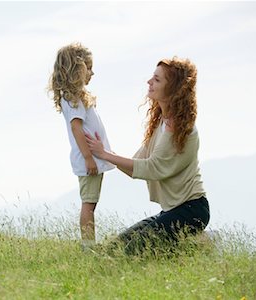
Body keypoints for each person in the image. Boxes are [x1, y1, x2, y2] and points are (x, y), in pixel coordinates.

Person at [85, 56, 210, 255]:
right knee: (114, 249)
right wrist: (104, 153)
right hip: (171, 211)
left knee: (129, 253)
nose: (149, 82)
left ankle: (200, 246)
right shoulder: (161, 123)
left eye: (157, 79)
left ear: (174, 89)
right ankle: (192, 248)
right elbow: (136, 166)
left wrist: (105, 154)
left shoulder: (178, 128)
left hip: (191, 211)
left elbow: (151, 168)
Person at [48, 42, 115, 250]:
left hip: (94, 158)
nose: (92, 73)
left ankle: (89, 244)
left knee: (91, 202)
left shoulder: (77, 98)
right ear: (78, 69)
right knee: (89, 204)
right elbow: (77, 129)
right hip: (89, 160)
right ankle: (88, 246)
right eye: (89, 67)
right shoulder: (73, 99)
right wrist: (88, 158)